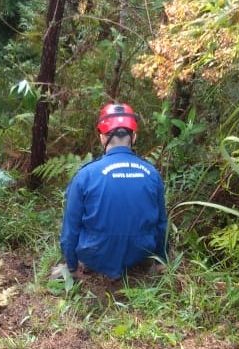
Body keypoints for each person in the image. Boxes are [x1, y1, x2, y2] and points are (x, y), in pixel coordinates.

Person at [58, 103, 168, 281]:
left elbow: (71, 229)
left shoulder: (86, 175)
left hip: (95, 255)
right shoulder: (152, 174)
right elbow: (162, 224)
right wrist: (161, 260)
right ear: (134, 136)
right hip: (140, 255)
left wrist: (71, 267)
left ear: (102, 137)